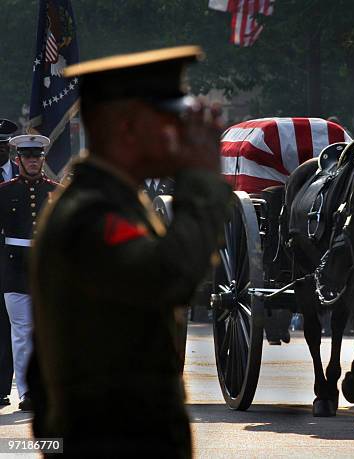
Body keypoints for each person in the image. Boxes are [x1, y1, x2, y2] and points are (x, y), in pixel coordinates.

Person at [28, 46, 232, 457]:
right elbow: (169, 276)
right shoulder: (91, 214)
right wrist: (202, 179)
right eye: (170, 119)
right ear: (127, 127)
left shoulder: (117, 199)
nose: (181, 131)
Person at [0, 134, 58, 411]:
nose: (33, 161)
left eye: (37, 157)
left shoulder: (57, 192)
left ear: (43, 159)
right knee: (21, 333)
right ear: (19, 159)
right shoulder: (5, 191)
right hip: (14, 268)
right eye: (27, 157)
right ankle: (26, 392)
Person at [0, 120, 19, 406]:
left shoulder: (21, 176)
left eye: (3, 144)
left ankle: (2, 387)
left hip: (14, 263)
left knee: (8, 327)